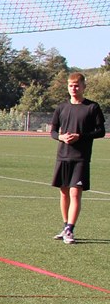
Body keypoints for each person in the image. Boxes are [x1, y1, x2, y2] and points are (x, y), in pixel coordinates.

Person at [50, 72, 105, 244]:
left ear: (83, 87)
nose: (73, 88)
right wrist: (61, 137)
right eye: (71, 86)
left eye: (77, 86)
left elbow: (101, 131)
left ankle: (70, 229)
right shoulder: (61, 108)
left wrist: (80, 136)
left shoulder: (92, 107)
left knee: (75, 192)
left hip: (81, 157)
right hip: (63, 156)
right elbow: (53, 131)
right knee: (64, 193)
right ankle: (65, 225)